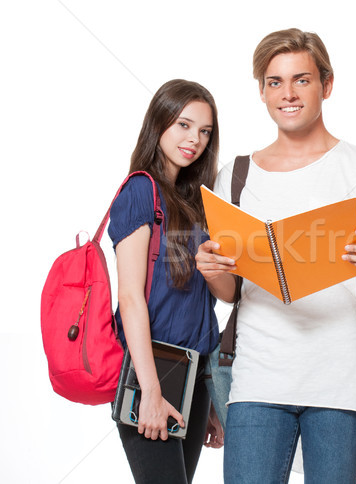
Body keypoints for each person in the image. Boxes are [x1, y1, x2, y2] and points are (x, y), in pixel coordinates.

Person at [195, 28, 356, 483]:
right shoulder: (238, 175)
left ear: (326, 85)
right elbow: (231, 292)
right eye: (274, 82)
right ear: (263, 92)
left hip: (338, 376)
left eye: (301, 80)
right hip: (258, 375)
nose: (287, 94)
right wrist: (212, 271)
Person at [108, 79, 224, 484]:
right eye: (184, 125)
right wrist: (150, 391)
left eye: (205, 131)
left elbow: (200, 305)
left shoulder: (193, 203)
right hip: (152, 369)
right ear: (159, 123)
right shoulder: (141, 191)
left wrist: (207, 400)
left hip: (194, 372)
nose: (195, 140)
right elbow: (130, 298)